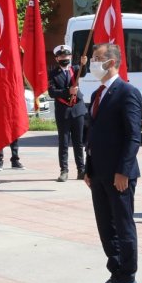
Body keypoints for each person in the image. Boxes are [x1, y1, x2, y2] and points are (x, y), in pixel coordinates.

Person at [84, 42, 142, 283]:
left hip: (119, 173)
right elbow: (93, 135)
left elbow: (133, 136)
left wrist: (124, 171)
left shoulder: (127, 91)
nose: (92, 63)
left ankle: (128, 277)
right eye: (93, 58)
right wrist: (88, 168)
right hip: (98, 172)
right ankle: (115, 272)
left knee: (123, 225)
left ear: (112, 62)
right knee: (105, 226)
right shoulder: (98, 93)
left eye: (98, 59)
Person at [48, 44, 86, 182]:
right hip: (63, 111)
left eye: (67, 56)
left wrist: (84, 64)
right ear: (57, 58)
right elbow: (52, 92)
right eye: (61, 56)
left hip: (77, 109)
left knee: (79, 142)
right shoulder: (53, 73)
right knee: (63, 142)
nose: (65, 58)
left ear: (70, 57)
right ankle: (64, 170)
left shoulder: (75, 69)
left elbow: (83, 72)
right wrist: (67, 92)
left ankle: (81, 170)